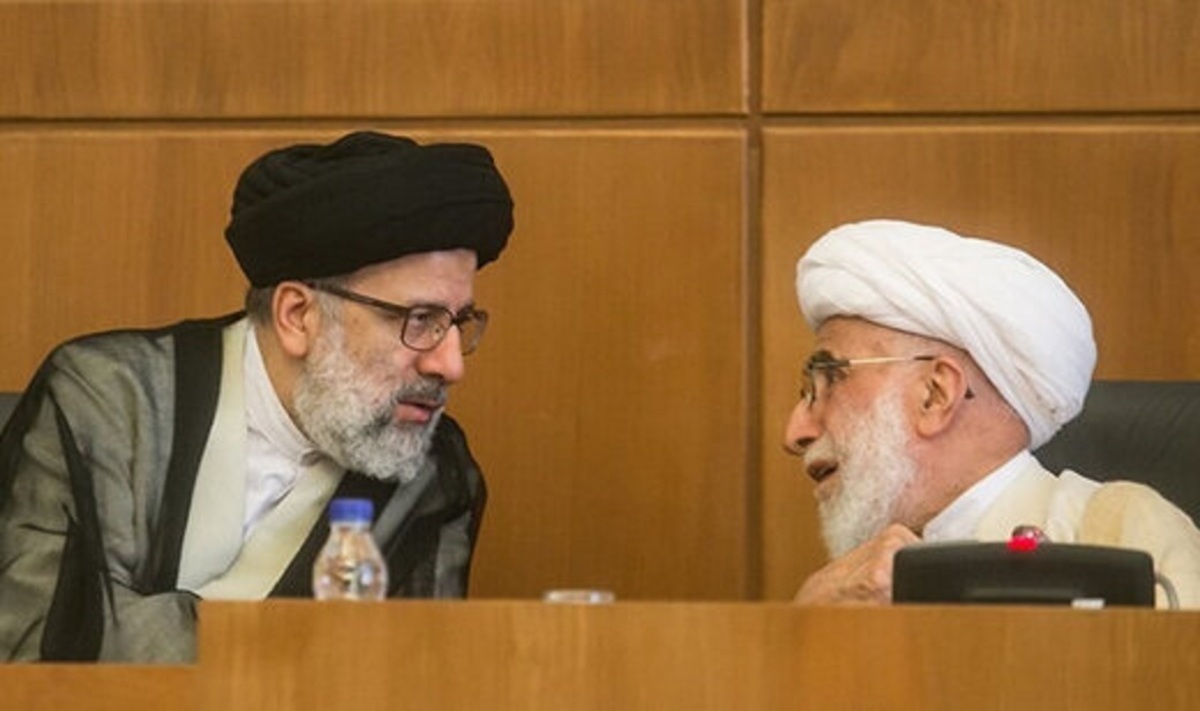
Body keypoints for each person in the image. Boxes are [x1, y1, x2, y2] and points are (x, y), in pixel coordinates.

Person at [0, 130, 514, 662]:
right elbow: (40, 644)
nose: (450, 365)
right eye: (420, 319)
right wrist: (295, 649)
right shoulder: (108, 400)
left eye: (459, 322)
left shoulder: (433, 471)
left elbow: (401, 675)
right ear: (297, 316)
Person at [784, 218, 1200, 608]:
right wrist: (811, 622)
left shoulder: (1122, 532)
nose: (794, 432)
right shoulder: (851, 585)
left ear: (935, 394)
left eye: (827, 382)